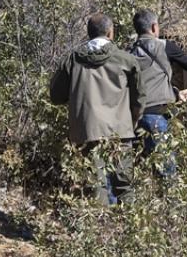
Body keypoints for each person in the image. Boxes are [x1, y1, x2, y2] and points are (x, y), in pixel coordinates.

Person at [49, 13, 145, 205]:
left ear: (89, 33)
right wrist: (132, 122)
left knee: (95, 186)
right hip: (120, 131)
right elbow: (139, 99)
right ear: (110, 32)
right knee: (124, 186)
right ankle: (126, 222)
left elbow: (56, 96)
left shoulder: (73, 60)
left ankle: (101, 222)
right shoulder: (126, 60)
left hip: (86, 131)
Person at [128, 9, 187, 166]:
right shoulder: (164, 46)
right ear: (154, 27)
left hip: (134, 120)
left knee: (142, 168)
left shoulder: (129, 52)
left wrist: (175, 94)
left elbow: (148, 84)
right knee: (167, 170)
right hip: (156, 118)